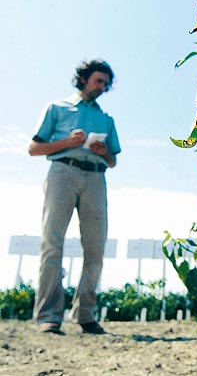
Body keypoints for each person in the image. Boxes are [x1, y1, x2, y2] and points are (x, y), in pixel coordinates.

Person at [29, 59, 121, 335]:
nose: (103, 87)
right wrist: (68, 142)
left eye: (106, 83)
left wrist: (103, 151)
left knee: (95, 247)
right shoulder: (56, 108)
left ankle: (86, 315)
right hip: (62, 173)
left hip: (96, 177)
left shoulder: (107, 120)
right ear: (83, 79)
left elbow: (113, 160)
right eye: (98, 81)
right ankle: (48, 316)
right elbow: (34, 148)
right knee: (52, 243)